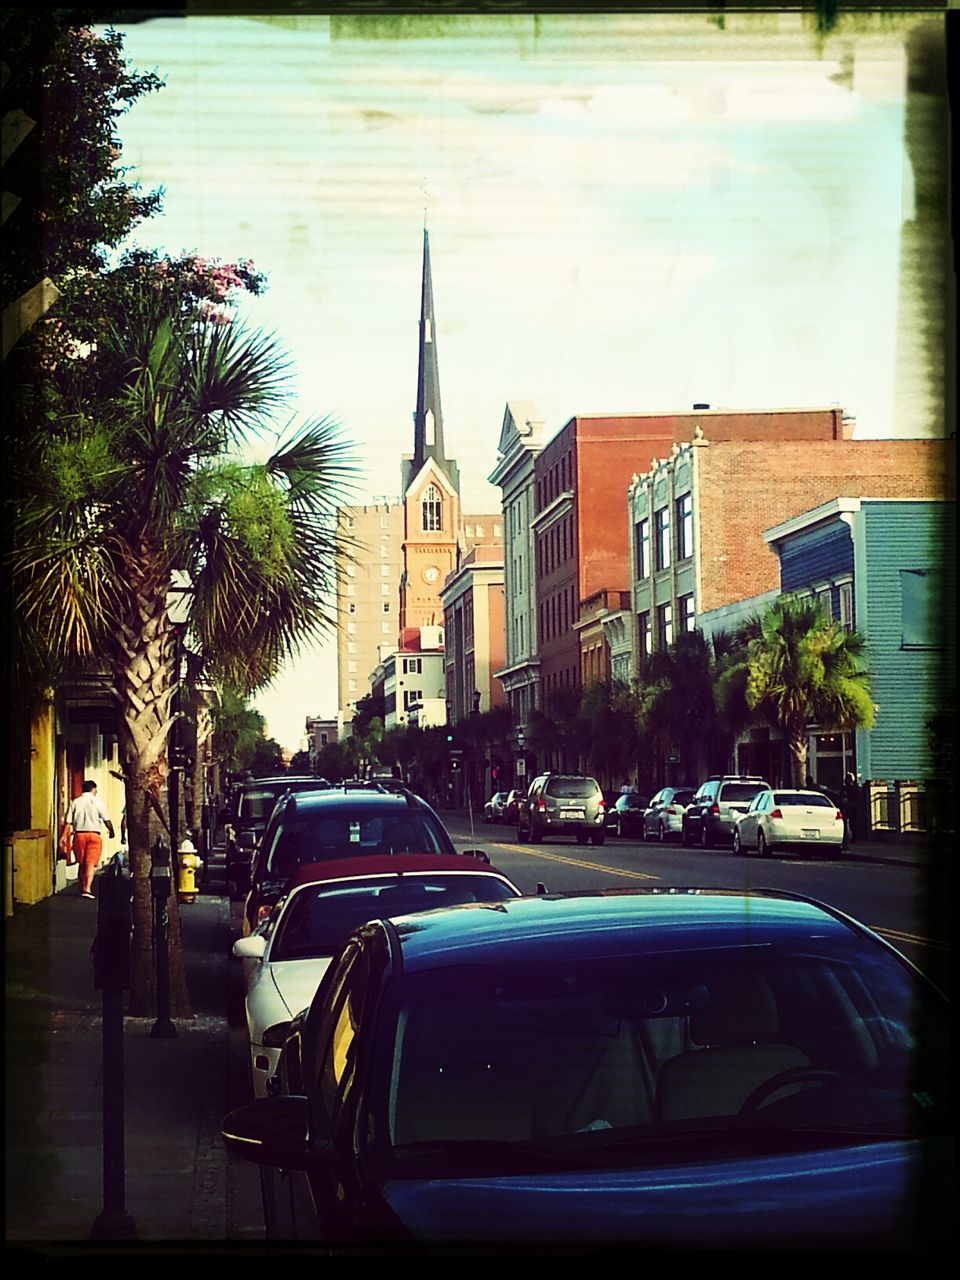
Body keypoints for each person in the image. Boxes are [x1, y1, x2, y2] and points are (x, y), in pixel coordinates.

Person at [60, 780, 115, 899]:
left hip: (79, 835)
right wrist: (111, 831)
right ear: (93, 789)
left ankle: (82, 886)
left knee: (82, 862)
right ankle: (87, 888)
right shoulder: (98, 802)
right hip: (94, 835)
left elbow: (68, 822)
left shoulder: (75, 802)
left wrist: (64, 836)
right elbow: (106, 819)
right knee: (90, 863)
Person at [841, 772, 861, 846]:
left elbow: (843, 796)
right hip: (854, 807)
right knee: (853, 823)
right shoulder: (856, 788)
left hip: (849, 807)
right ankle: (853, 838)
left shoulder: (846, 788)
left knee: (849, 823)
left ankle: (849, 839)